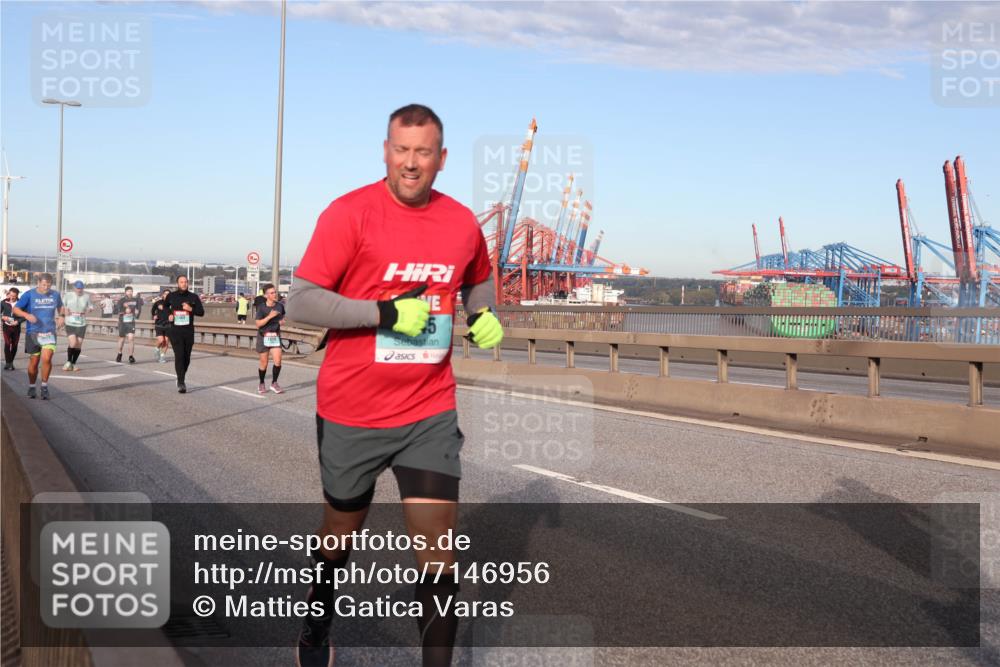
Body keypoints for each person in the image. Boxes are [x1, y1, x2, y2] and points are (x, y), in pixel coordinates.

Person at [286, 104, 503, 667]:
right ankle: (317, 616)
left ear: (442, 158)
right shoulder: (349, 213)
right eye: (401, 150)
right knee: (341, 531)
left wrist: (483, 313)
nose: (411, 163)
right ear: (385, 151)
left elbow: (479, 280)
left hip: (428, 410)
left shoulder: (460, 223)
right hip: (352, 409)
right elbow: (303, 299)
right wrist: (383, 315)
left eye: (423, 152)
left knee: (437, 554)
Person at [11, 273, 64, 400]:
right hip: (33, 333)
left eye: (49, 285)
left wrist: (62, 316)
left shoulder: (55, 294)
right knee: (34, 363)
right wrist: (27, 315)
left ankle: (44, 386)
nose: (46, 287)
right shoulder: (29, 294)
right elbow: (16, 309)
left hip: (49, 332)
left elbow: (61, 307)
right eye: (44, 284)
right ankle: (32, 386)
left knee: (47, 359)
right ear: (38, 283)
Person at [165, 275, 204, 393]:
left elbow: (201, 312)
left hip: (188, 331)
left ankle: (180, 377)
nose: (184, 284)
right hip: (175, 331)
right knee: (179, 355)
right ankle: (181, 382)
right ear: (177, 283)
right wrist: (169, 315)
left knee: (186, 358)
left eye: (186, 282)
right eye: (181, 282)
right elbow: (165, 307)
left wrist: (190, 309)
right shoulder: (171, 296)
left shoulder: (193, 297)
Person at [61, 280, 93, 371]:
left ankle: (73, 363)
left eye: (81, 288)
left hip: (81, 322)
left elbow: (91, 306)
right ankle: (68, 361)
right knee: (73, 342)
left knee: (78, 345)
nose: (79, 290)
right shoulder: (68, 295)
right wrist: (65, 311)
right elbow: (62, 306)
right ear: (74, 288)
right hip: (70, 322)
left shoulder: (86, 296)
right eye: (78, 288)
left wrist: (89, 310)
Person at [115, 286, 143, 364]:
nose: (130, 293)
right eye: (128, 291)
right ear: (125, 292)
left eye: (131, 291)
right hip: (122, 322)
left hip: (131, 322)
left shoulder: (136, 300)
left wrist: (137, 314)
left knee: (131, 338)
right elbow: (117, 310)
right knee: (122, 339)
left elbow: (139, 308)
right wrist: (124, 311)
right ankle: (119, 353)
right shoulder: (121, 301)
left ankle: (131, 356)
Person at [2, 287, 25, 370]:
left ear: (17, 296)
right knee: (7, 344)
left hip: (16, 327)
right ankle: (9, 363)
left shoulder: (21, 304)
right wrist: (2, 317)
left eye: (14, 296)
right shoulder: (4, 302)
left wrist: (18, 322)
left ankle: (10, 362)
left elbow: (25, 316)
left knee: (14, 345)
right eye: (10, 295)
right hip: (6, 327)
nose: (11, 297)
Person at [150, 288, 172, 363]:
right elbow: (153, 310)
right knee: (161, 340)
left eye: (168, 294)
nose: (167, 295)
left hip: (168, 325)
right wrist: (154, 315)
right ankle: (157, 349)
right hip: (159, 324)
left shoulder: (172, 304)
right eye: (165, 294)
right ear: (163, 295)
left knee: (166, 341)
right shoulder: (158, 302)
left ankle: (162, 356)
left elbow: (175, 312)